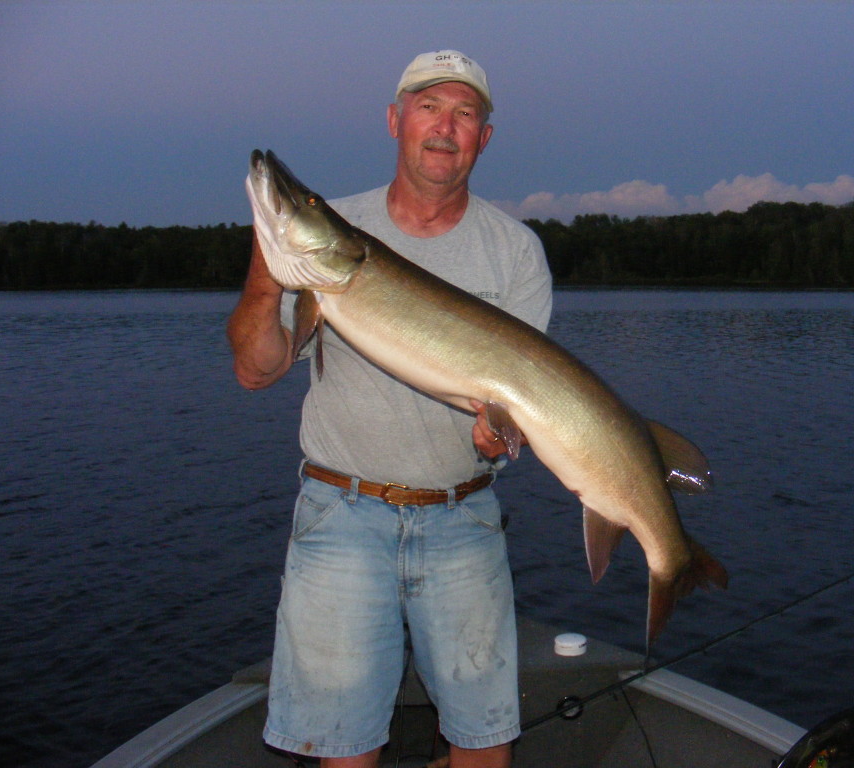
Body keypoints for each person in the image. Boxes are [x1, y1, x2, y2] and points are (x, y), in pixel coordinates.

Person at [227, 50, 552, 768]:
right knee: (343, 752)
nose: (446, 126)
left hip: (463, 517)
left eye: (466, 114)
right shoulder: (335, 231)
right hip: (342, 514)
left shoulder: (516, 254)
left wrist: (499, 436)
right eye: (429, 106)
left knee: (483, 747)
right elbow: (256, 371)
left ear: (484, 138)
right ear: (395, 120)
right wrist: (269, 261)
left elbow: (515, 413)